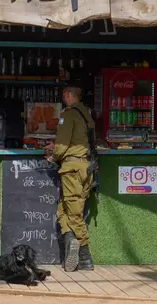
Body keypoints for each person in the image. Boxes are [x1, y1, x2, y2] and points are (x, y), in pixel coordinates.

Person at [45, 86, 95, 272]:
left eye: (64, 94)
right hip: (86, 168)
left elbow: (63, 144)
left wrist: (53, 154)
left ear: (67, 95)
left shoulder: (69, 114)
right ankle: (71, 239)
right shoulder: (87, 114)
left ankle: (85, 256)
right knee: (64, 209)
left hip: (72, 169)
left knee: (73, 214)